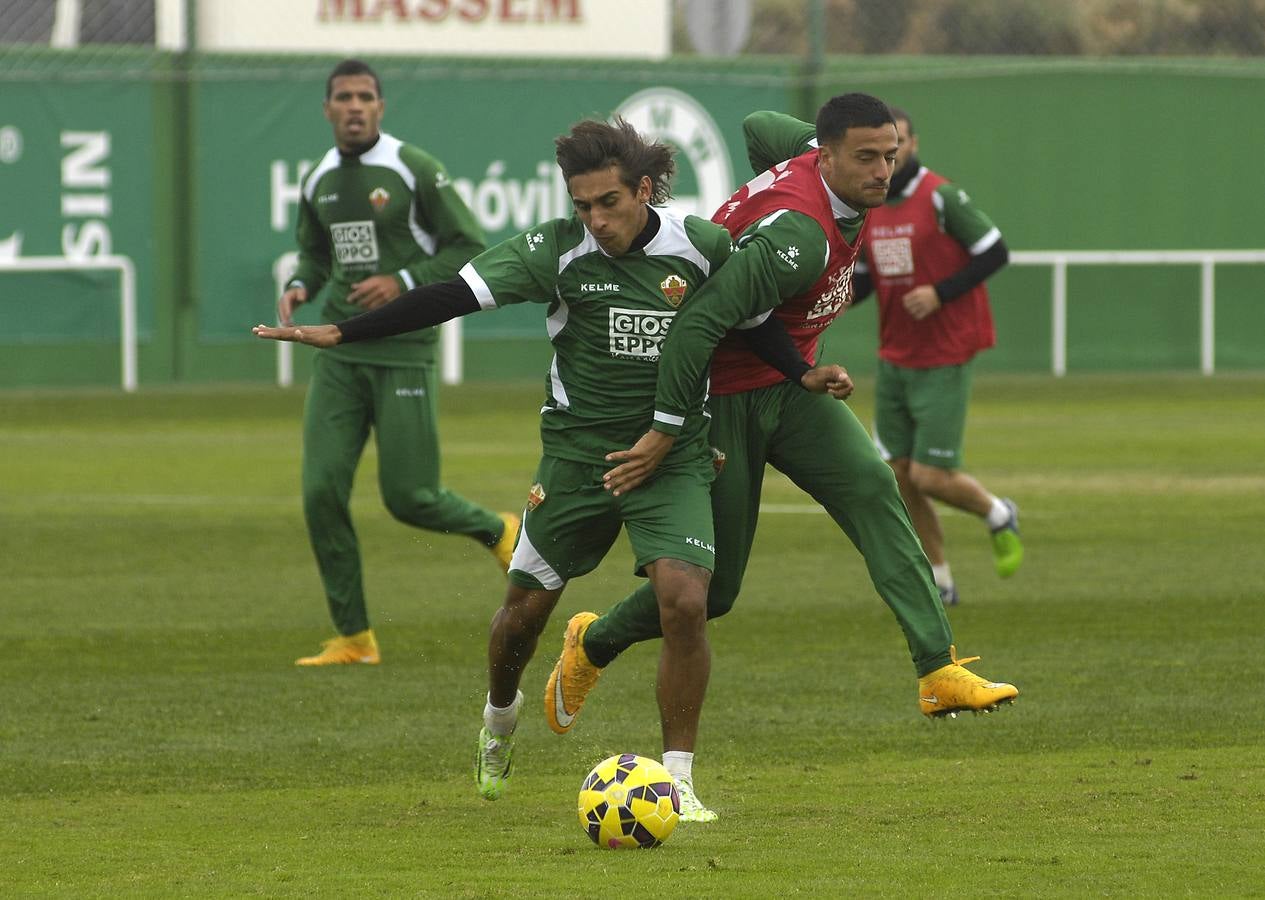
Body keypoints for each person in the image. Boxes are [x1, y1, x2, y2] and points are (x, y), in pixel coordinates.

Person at [255, 117, 842, 818]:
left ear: (644, 190)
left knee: (685, 604)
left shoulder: (701, 246)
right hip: (575, 460)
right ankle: (497, 722)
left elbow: (749, 321)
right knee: (521, 618)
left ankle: (679, 781)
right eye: (581, 206)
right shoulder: (555, 252)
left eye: (608, 203)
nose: (594, 220)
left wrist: (800, 374)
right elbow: (452, 295)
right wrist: (343, 331)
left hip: (674, 456)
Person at [544, 95, 1019, 815]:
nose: (881, 170)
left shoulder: (816, 165)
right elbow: (699, 322)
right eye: (864, 157)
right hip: (724, 400)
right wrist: (670, 429)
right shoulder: (798, 237)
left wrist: (800, 167)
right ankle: (594, 640)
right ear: (826, 156)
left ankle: (936, 667)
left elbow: (759, 126)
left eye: (889, 154)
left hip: (789, 389)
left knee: (869, 482)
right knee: (717, 593)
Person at [279, 58, 518, 667]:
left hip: (405, 348)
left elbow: (469, 246)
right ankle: (355, 638)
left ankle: (498, 530)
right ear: (328, 109)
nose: (354, 106)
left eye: (365, 96)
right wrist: (302, 285)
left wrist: (404, 278)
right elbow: (314, 254)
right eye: (343, 97)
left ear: (380, 107)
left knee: (411, 497)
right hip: (339, 348)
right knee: (319, 492)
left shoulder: (413, 169)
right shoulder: (318, 181)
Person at [851, 106, 1021, 606]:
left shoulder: (941, 197)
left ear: (914, 144)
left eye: (897, 142)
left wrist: (940, 293)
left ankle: (997, 513)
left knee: (930, 475)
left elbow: (995, 250)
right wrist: (820, 305)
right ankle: (941, 582)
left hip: (945, 351)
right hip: (895, 353)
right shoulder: (870, 204)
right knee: (900, 476)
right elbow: (863, 278)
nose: (889, 155)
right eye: (878, 148)